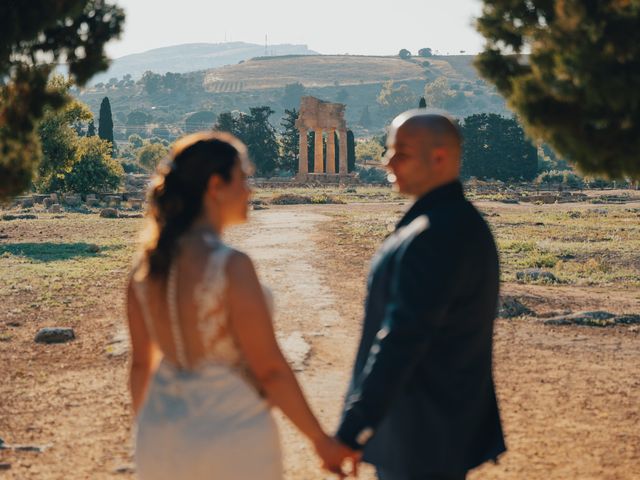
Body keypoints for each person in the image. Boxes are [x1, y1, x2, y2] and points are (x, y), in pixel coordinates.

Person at [126, 132, 353, 479]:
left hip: (159, 432)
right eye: (244, 178)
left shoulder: (145, 267)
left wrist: (150, 431)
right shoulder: (230, 265)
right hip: (231, 433)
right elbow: (270, 370)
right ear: (216, 185)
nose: (251, 190)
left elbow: (141, 366)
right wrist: (321, 441)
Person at [335, 110, 506, 479]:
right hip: (435, 431)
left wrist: (354, 426)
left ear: (440, 157)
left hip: (420, 434)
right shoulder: (450, 222)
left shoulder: (435, 234)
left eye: (401, 152)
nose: (387, 162)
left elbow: (403, 337)